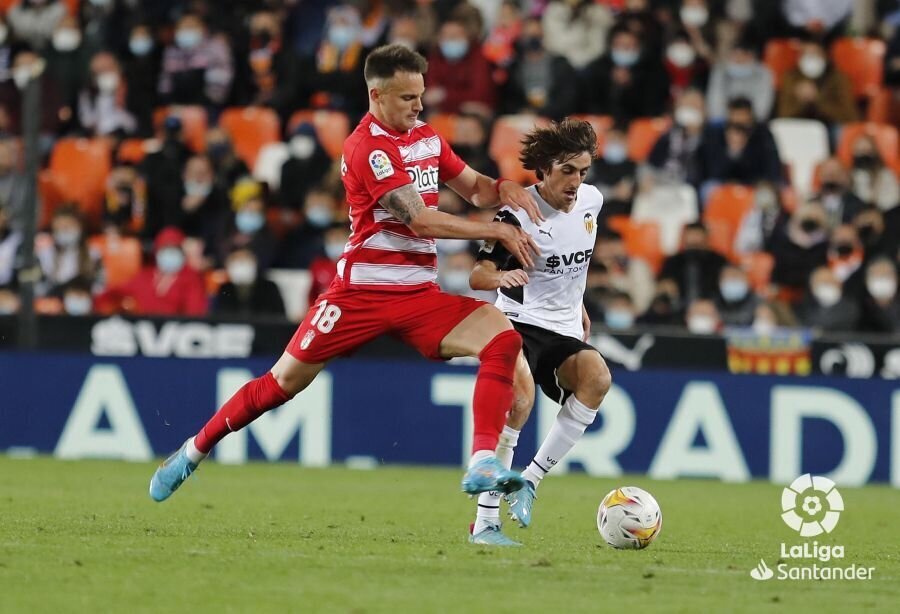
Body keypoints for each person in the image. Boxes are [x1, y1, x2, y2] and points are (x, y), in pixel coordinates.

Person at [149, 44, 543, 507]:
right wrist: (492, 228)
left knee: (502, 338)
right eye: (406, 98)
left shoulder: (427, 137)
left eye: (419, 96)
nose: (418, 106)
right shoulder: (367, 147)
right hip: (359, 294)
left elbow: (474, 188)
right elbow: (418, 220)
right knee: (280, 385)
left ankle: (480, 462)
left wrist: (504, 187)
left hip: (418, 294)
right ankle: (192, 452)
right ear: (376, 95)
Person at [467, 118, 612, 545]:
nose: (576, 181)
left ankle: (529, 481)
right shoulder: (516, 215)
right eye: (567, 170)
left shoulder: (592, 201)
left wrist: (579, 303)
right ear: (544, 170)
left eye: (583, 172)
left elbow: (573, 264)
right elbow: (479, 275)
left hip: (563, 329)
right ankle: (486, 522)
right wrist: (501, 280)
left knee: (597, 378)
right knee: (520, 401)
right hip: (516, 323)